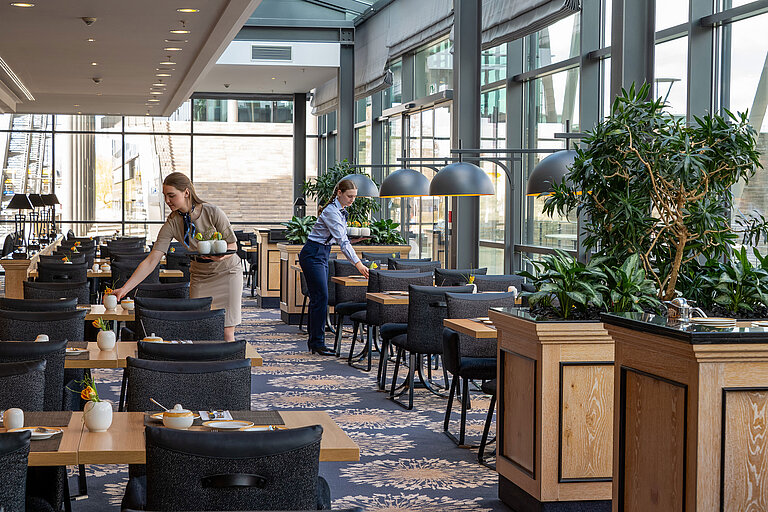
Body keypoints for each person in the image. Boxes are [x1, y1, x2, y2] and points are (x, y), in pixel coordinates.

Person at [112, 172, 243, 341]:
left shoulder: (212, 212)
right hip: (200, 277)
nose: (167, 200)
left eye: (171, 195)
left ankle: (229, 367)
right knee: (200, 330)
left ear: (186, 192)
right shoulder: (172, 222)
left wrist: (220, 256)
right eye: (165, 196)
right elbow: (152, 260)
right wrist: (124, 289)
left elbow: (232, 245)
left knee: (226, 332)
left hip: (228, 273)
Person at [300, 178, 369, 355]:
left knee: (319, 297)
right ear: (339, 193)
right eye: (349, 196)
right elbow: (342, 242)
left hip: (322, 252)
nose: (352, 200)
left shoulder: (340, 211)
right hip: (313, 254)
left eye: (354, 197)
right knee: (321, 297)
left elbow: (338, 238)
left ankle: (315, 341)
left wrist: (355, 240)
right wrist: (358, 264)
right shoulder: (331, 211)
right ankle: (317, 342)